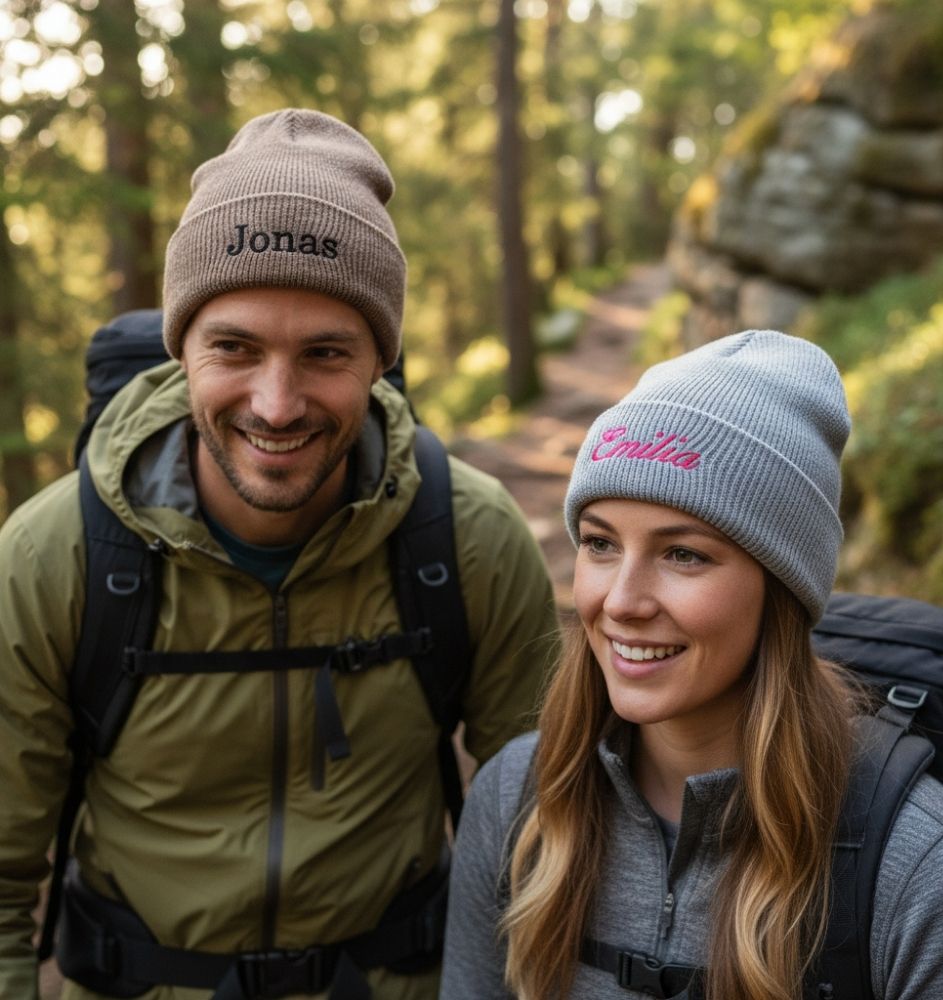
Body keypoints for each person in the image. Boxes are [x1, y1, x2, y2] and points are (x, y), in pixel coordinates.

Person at [0, 109, 558, 1000]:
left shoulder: (465, 543)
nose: (276, 402)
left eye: (325, 352)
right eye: (235, 347)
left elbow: (549, 839)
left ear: (381, 358)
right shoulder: (52, 555)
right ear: (182, 347)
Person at [440, 329, 943, 1000]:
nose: (621, 602)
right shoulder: (516, 800)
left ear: (781, 588)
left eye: (684, 554)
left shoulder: (934, 876)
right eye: (600, 543)